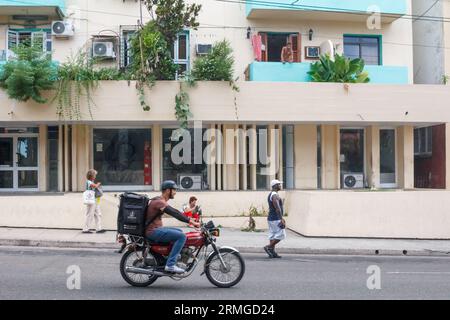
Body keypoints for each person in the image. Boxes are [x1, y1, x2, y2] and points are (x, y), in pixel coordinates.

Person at [145, 180, 201, 274]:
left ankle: (169, 257)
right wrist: (190, 221)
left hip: (156, 229)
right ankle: (170, 265)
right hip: (152, 231)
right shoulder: (159, 202)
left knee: (179, 231)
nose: (175, 192)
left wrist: (191, 220)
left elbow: (176, 211)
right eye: (174, 190)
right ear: (168, 190)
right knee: (181, 236)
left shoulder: (160, 200)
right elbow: (174, 213)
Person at [264, 179, 286, 259]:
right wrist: (281, 219)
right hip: (276, 218)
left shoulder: (272, 194)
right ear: (275, 186)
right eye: (279, 184)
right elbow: (277, 208)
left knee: (273, 235)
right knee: (281, 235)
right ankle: (268, 247)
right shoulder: (274, 195)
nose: (280, 186)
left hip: (271, 218)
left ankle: (272, 252)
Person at [82, 169, 105, 234]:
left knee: (98, 214)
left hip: (95, 200)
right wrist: (98, 184)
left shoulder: (91, 182)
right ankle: (85, 229)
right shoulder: (89, 182)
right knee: (90, 214)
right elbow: (94, 186)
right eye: (94, 175)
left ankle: (98, 228)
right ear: (91, 176)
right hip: (91, 200)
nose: (95, 176)